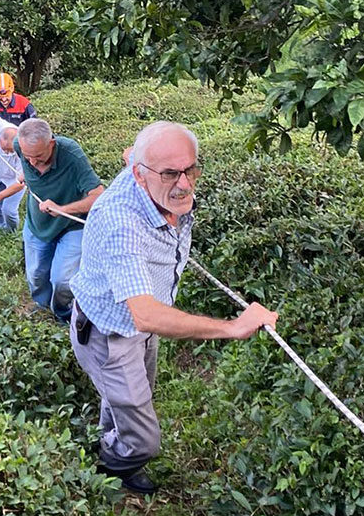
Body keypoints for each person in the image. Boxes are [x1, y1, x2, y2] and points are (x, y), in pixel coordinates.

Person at [69, 121, 279, 495]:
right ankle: (112, 466)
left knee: (132, 400)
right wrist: (233, 327)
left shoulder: (145, 170)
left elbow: (132, 155)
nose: (184, 184)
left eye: (190, 170)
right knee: (145, 436)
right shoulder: (122, 223)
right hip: (109, 332)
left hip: (141, 328)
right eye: (169, 173)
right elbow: (145, 313)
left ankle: (111, 442)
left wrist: (151, 161)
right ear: (140, 175)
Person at [12, 118, 103, 321]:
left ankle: (62, 313)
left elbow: (98, 195)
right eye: (28, 157)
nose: (33, 162)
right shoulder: (19, 145)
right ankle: (42, 305)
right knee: (36, 275)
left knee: (63, 280)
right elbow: (6, 139)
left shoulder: (71, 155)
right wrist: (23, 172)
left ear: (51, 143)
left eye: (38, 156)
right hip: (38, 225)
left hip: (71, 225)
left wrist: (63, 209)